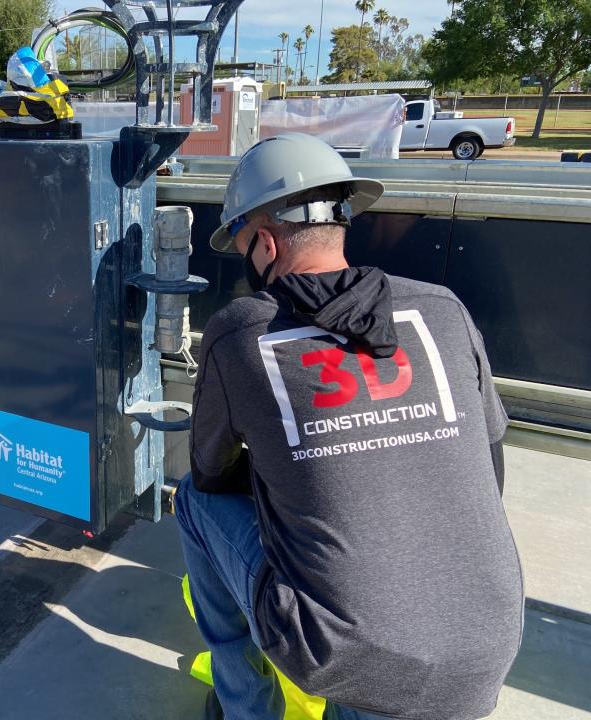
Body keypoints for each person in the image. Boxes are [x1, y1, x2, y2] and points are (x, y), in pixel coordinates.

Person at [175, 133, 523, 720]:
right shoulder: (443, 307)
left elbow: (211, 473)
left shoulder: (242, 333)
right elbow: (489, 463)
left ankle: (246, 709)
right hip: (486, 648)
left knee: (191, 504)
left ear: (263, 243)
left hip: (345, 654)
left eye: (242, 249)